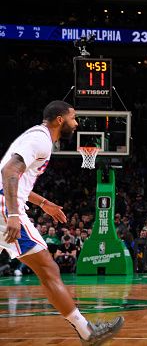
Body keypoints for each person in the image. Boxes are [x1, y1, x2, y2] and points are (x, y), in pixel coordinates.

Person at [0, 100, 123, 344]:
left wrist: (43, 202)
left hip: (5, 203)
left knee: (47, 269)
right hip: (4, 208)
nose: (76, 123)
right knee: (48, 268)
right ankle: (88, 332)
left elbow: (13, 175)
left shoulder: (36, 138)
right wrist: (13, 214)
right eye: (73, 118)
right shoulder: (40, 139)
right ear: (59, 120)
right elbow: (9, 173)